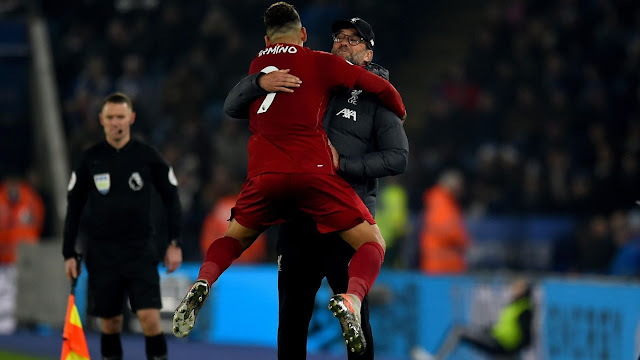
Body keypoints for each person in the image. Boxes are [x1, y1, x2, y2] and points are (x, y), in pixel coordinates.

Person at [172, 2, 407, 355]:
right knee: (291, 325)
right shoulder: (308, 75)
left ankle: (206, 278)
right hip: (298, 221)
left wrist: (344, 165)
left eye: (354, 40)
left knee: (358, 330)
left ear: (368, 52)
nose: (343, 43)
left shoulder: (373, 100)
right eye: (339, 37)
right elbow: (233, 104)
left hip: (343, 223)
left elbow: (398, 158)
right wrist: (259, 80)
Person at [62, 92, 183, 360]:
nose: (116, 122)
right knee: (110, 323)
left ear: (132, 118)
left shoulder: (147, 156)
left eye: (121, 117)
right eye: (110, 117)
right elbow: (73, 208)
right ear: (101, 120)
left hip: (140, 250)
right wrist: (68, 252)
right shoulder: (90, 159)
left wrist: (175, 243)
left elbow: (172, 197)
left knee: (150, 319)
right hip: (102, 253)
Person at [412, 279, 534, 360]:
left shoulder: (524, 310)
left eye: (518, 286)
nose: (513, 288)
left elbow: (526, 337)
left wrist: (513, 352)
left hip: (502, 345)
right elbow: (505, 327)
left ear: (524, 290)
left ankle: (437, 358)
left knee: (459, 331)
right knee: (464, 331)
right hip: (499, 342)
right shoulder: (514, 305)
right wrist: (488, 330)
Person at [419, 169, 470, 274]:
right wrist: (464, 242)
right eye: (459, 184)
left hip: (445, 263)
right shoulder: (439, 200)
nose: (461, 188)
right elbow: (445, 229)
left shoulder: (446, 201)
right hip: (441, 265)